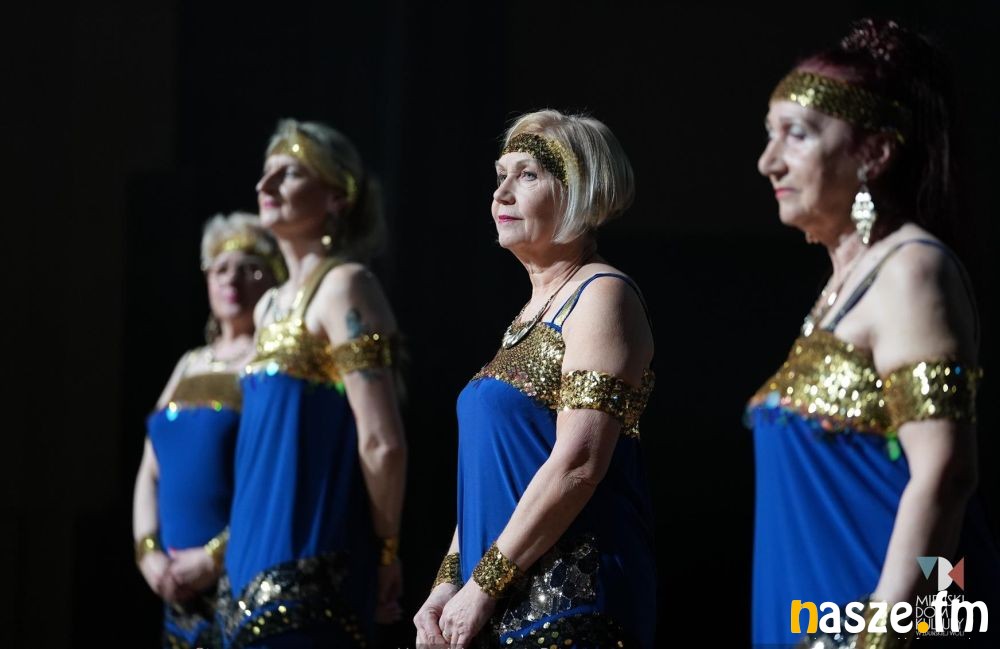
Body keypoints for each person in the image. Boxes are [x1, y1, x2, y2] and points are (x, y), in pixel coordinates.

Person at [749, 18, 999, 648]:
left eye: (796, 134)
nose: (768, 161)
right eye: (769, 134)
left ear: (874, 153)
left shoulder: (912, 270)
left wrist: (885, 632)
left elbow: (947, 472)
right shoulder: (841, 289)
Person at [413, 109, 656, 648]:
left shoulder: (602, 294)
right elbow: (491, 478)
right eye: (500, 176)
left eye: (527, 175)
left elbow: (578, 464)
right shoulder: (529, 317)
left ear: (579, 191)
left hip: (568, 606)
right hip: (501, 604)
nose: (501, 193)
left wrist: (483, 585)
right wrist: (447, 584)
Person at [218, 119, 407, 648]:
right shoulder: (269, 307)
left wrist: (387, 551)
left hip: (309, 562)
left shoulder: (346, 286)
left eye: (290, 173)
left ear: (336, 197)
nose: (266, 185)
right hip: (244, 570)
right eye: (266, 173)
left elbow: (383, 442)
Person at [133, 212, 284, 648]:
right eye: (221, 268)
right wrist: (148, 553)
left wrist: (213, 557)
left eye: (249, 268)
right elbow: (149, 469)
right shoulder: (189, 363)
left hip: (239, 578)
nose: (232, 279)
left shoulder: (269, 366)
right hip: (175, 588)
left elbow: (273, 481)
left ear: (274, 279)